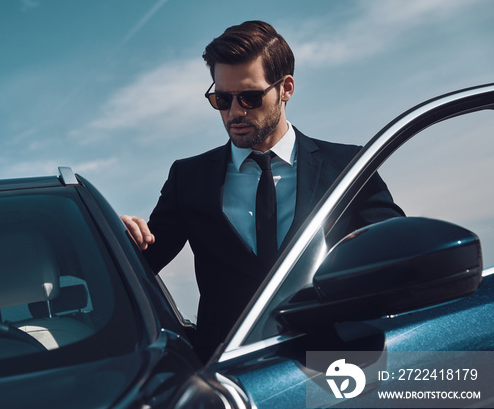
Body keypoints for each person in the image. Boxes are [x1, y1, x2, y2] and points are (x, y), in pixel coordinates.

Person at [121, 21, 404, 362]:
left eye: (250, 97)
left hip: (337, 365)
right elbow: (139, 264)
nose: (235, 112)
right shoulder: (188, 177)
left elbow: (398, 254)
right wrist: (122, 235)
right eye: (222, 99)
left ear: (286, 88)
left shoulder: (348, 165)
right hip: (234, 377)